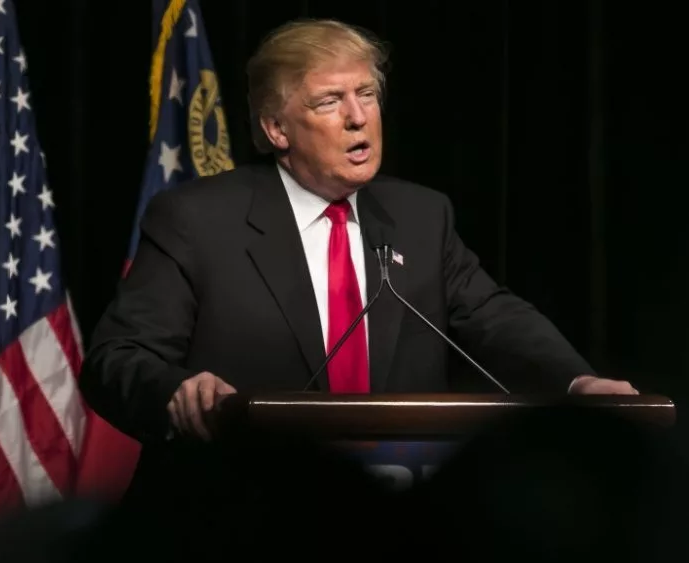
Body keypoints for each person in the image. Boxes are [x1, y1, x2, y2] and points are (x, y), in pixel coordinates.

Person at [77, 19, 639, 541]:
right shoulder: (199, 220)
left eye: (366, 94)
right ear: (276, 128)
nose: (357, 116)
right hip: (240, 528)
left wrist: (576, 384)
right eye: (329, 101)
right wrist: (178, 391)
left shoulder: (420, 216)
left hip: (390, 526)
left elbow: (493, 315)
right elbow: (117, 358)